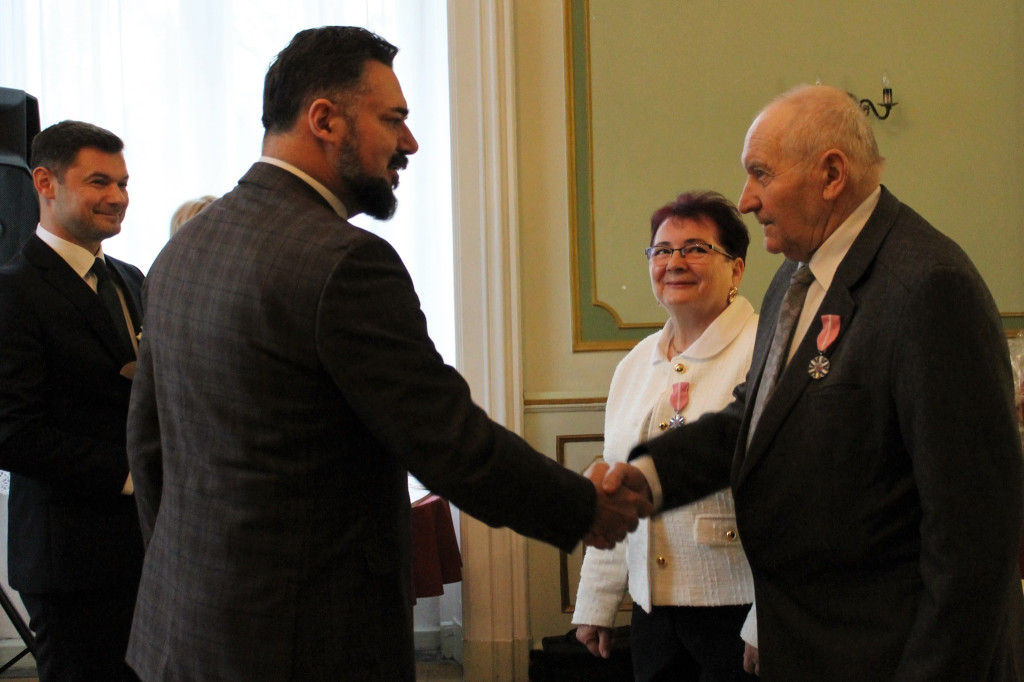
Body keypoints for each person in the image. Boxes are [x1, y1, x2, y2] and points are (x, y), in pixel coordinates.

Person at [125, 26, 650, 682]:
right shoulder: (343, 262)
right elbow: (449, 442)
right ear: (324, 120)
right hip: (305, 647)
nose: (410, 143)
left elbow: (147, 447)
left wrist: (188, 581)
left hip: (184, 631)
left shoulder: (183, 249)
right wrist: (584, 507)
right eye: (393, 119)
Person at [599, 84, 1024, 680]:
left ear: (831, 175)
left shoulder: (929, 287)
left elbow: (974, 539)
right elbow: (755, 422)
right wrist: (646, 477)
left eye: (761, 174)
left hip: (885, 654)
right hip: (806, 643)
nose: (746, 200)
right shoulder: (795, 279)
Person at [573, 191, 758, 681]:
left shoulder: (763, 350)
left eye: (696, 249)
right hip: (652, 611)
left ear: (736, 270)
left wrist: (766, 621)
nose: (675, 262)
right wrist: (597, 601)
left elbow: (791, 500)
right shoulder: (636, 362)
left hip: (738, 610)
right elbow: (616, 486)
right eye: (662, 250)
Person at [0, 120, 144, 681]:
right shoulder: (13, 290)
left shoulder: (131, 278)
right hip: (69, 561)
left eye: (123, 183)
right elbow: (11, 431)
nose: (118, 197)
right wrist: (130, 473)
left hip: (145, 549)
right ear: (45, 183)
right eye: (99, 182)